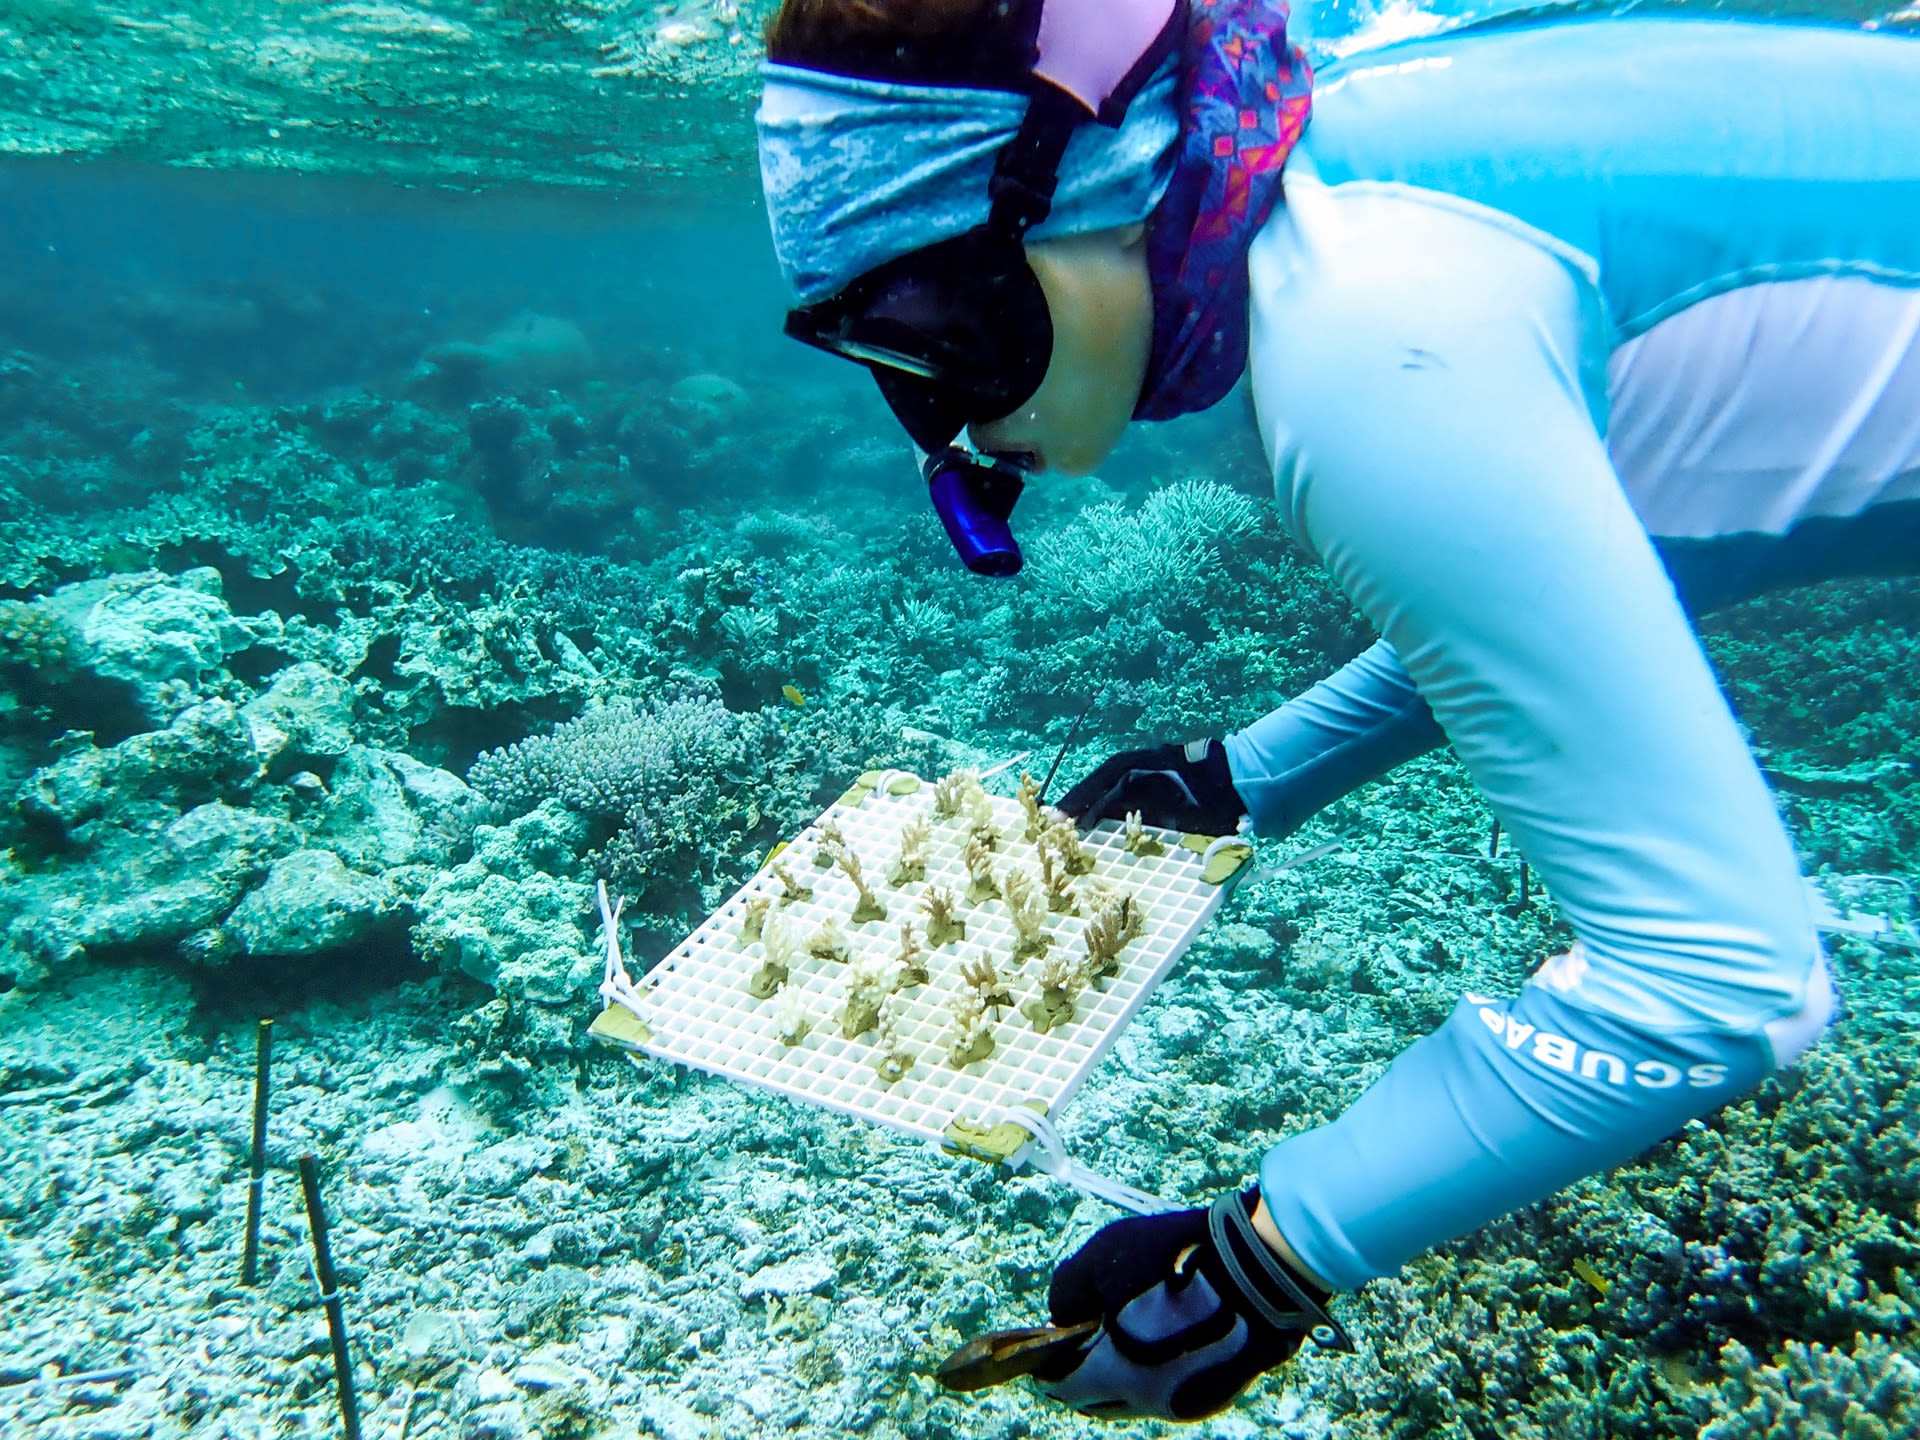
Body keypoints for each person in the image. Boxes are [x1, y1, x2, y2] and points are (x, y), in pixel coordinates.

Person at [756, 0, 1920, 1420]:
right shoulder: (1354, 139)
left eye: (928, 324)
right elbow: (1631, 541)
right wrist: (1247, 775)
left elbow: (1720, 988)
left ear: (1078, 177)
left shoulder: (1369, 330)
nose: (938, 425)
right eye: (871, 359)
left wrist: (1265, 1259)